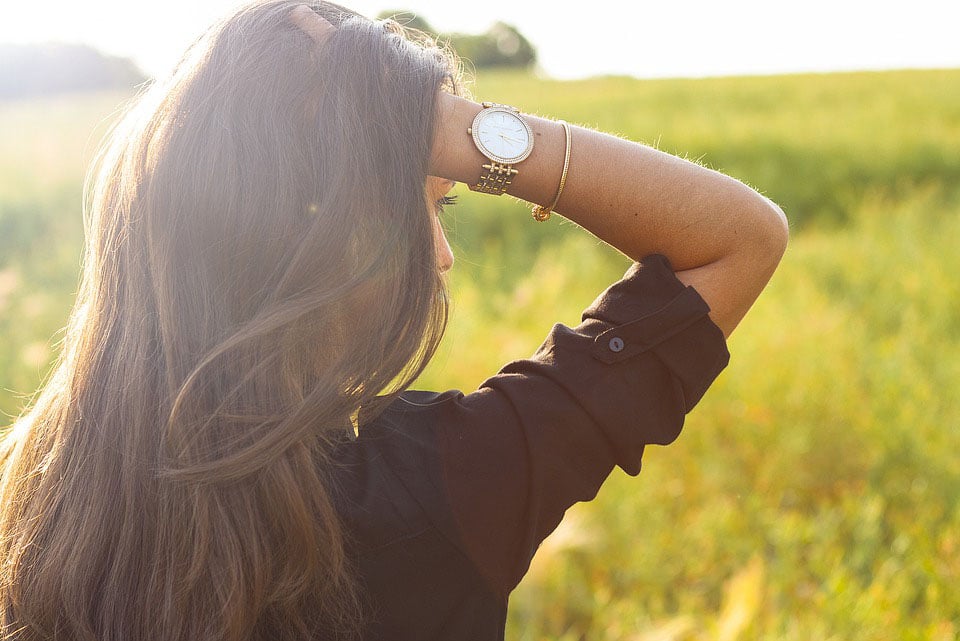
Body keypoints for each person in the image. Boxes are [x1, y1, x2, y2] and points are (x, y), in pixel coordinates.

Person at [0, 1, 788, 640]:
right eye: (422, 210)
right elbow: (738, 239)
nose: (440, 256)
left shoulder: (35, 489)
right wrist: (451, 127)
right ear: (309, 234)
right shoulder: (439, 490)